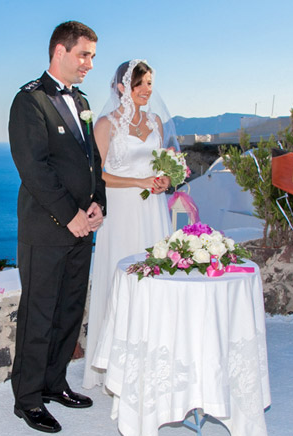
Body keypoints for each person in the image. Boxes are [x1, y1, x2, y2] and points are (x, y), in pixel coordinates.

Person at [8, 21, 106, 433]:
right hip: (48, 229)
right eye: (84, 55)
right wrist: (71, 216)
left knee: (68, 310)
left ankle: (54, 382)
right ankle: (28, 398)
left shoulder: (81, 100)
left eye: (93, 58)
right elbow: (34, 167)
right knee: (39, 313)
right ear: (59, 52)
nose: (89, 64)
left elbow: (91, 159)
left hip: (83, 227)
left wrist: (99, 202)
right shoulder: (29, 101)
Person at [82, 60, 176, 389]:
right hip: (120, 211)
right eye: (142, 83)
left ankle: (153, 358)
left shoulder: (157, 122)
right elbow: (99, 175)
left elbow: (164, 163)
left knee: (155, 280)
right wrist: (139, 182)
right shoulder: (106, 125)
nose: (148, 90)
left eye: (151, 83)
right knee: (120, 278)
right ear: (123, 87)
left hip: (152, 210)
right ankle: (114, 367)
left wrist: (163, 179)